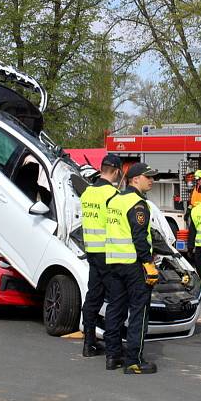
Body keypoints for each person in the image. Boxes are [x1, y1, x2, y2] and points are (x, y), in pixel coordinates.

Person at [104, 162, 159, 374]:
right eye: (148, 177)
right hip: (134, 267)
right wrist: (149, 265)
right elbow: (139, 238)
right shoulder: (137, 204)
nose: (152, 180)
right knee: (138, 312)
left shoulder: (114, 200)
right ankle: (134, 361)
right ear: (135, 179)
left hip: (114, 264)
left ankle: (112, 356)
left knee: (115, 310)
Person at [79, 153, 121, 358]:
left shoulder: (87, 193)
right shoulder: (112, 195)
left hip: (92, 252)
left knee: (93, 297)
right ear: (116, 171)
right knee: (116, 299)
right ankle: (114, 347)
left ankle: (89, 343)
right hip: (109, 253)